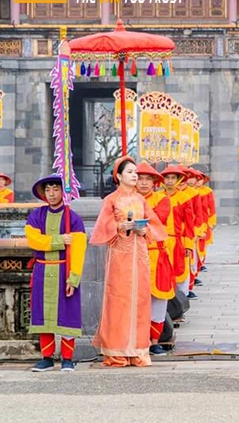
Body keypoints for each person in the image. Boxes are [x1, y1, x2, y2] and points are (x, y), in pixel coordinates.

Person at [90, 156, 167, 367]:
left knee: (140, 299)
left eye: (136, 173)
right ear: (119, 176)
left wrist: (144, 230)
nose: (135, 176)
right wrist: (119, 227)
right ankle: (116, 352)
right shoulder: (111, 200)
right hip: (119, 255)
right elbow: (102, 228)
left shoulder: (141, 200)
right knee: (118, 300)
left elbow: (155, 226)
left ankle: (138, 351)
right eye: (130, 172)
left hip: (139, 253)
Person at [26, 174, 87, 372]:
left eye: (55, 189)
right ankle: (47, 357)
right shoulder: (37, 215)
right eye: (48, 190)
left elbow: (78, 249)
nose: (51, 194)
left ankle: (67, 358)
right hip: (42, 270)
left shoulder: (73, 218)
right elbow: (33, 239)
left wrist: (73, 278)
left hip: (63, 270)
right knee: (43, 315)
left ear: (63, 192)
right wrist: (60, 239)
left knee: (67, 314)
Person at [135, 162, 175, 356]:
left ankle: (154, 341)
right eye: (140, 179)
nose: (143, 183)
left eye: (148, 179)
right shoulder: (127, 199)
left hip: (156, 254)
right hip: (133, 255)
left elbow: (157, 221)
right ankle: (138, 340)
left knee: (158, 300)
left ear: (154, 183)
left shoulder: (162, 199)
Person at [161, 165, 196, 301]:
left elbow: (189, 223)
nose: (170, 181)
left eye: (173, 178)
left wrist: (188, 245)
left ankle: (181, 301)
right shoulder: (157, 197)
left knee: (180, 270)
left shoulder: (185, 198)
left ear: (178, 180)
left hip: (178, 240)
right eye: (167, 178)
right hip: (160, 242)